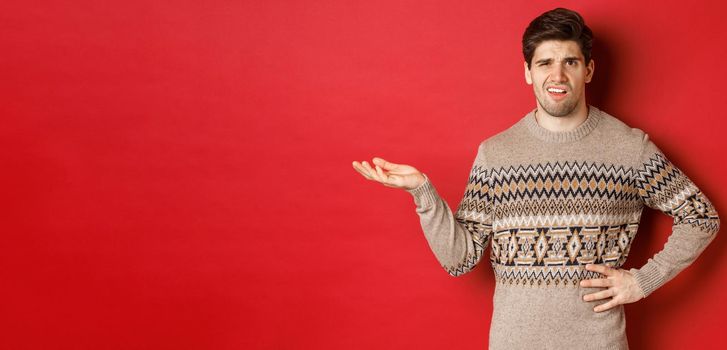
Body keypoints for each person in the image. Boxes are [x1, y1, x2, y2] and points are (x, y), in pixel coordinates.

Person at [351, 7, 720, 350]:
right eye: (545, 63)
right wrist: (423, 193)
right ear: (528, 71)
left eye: (570, 62)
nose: (557, 75)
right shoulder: (496, 154)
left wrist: (642, 281)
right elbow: (460, 260)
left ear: (588, 70)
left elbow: (701, 217)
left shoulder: (629, 148)